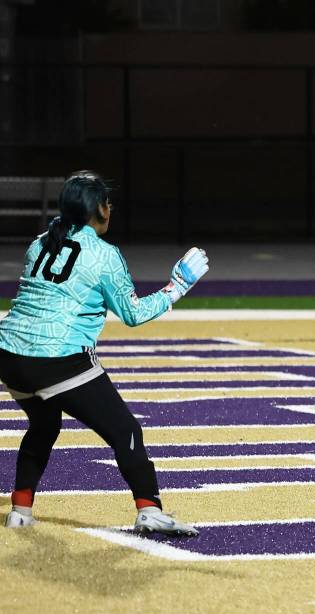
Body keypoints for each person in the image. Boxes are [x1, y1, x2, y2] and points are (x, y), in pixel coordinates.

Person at [0, 171, 209, 535]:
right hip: (57, 358)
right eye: (107, 202)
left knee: (44, 424)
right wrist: (176, 288)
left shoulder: (39, 242)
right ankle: (149, 508)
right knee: (125, 430)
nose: (110, 209)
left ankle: (20, 509)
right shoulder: (103, 254)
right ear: (98, 208)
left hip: (8, 353)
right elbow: (133, 314)